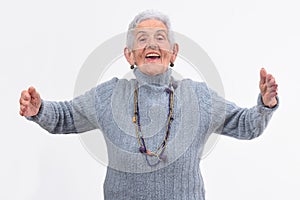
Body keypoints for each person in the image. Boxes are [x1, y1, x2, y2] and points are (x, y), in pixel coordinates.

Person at [19, 10, 278, 200]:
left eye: (160, 38)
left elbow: (246, 125)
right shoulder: (109, 95)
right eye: (142, 39)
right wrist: (39, 109)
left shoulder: (199, 97)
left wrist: (265, 104)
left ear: (173, 52)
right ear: (129, 54)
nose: (152, 44)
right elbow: (65, 116)